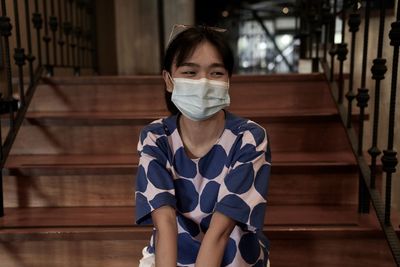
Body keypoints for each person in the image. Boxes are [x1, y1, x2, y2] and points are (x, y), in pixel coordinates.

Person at [135, 25, 271, 267]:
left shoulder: (250, 138)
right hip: (172, 253)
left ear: (228, 80)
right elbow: (164, 223)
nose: (204, 83)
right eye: (190, 72)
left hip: (233, 254)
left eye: (216, 73)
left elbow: (221, 232)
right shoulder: (155, 137)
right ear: (168, 80)